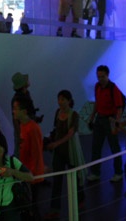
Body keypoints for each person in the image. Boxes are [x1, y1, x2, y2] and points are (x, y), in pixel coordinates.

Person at [45, 90, 85, 219]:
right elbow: (56, 129)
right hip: (59, 152)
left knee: (75, 177)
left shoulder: (74, 115)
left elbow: (70, 134)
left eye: (63, 99)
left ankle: (80, 200)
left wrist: (55, 144)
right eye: (59, 99)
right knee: (57, 180)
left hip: (70, 151)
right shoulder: (58, 112)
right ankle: (55, 208)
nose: (60, 102)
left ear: (69, 101)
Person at [87, 65, 123, 182]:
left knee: (114, 147)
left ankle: (118, 172)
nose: (100, 79)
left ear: (107, 75)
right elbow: (97, 103)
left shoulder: (113, 88)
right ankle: (95, 172)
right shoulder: (97, 86)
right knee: (95, 147)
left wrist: (117, 122)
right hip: (100, 118)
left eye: (102, 76)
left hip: (110, 119)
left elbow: (119, 107)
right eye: (98, 76)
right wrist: (92, 118)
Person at [13, 96, 43, 220]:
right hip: (27, 173)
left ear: (24, 111)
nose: (13, 111)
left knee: (32, 208)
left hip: (31, 175)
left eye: (16, 109)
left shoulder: (32, 128)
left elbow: (36, 154)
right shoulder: (23, 126)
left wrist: (31, 175)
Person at [10, 72, 40, 156]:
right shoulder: (18, 98)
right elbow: (15, 119)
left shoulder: (25, 94)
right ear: (23, 85)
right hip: (23, 130)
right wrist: (20, 134)